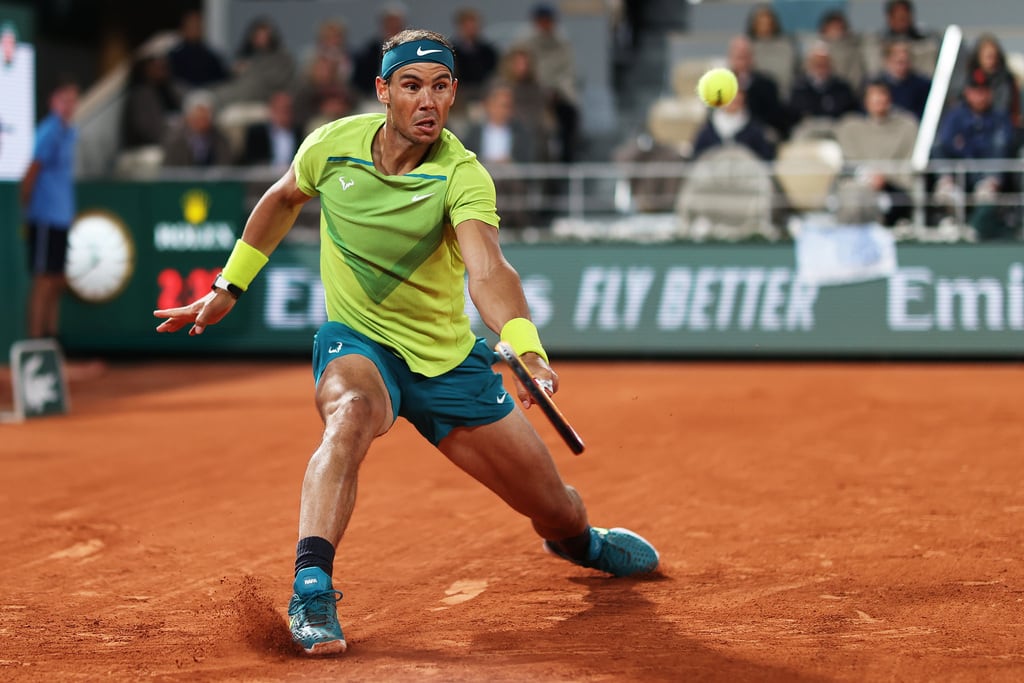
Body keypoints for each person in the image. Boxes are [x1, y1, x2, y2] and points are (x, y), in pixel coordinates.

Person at [152, 28, 659, 656]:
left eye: (441, 87)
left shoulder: (461, 175)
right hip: (359, 341)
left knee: (556, 506)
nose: (428, 102)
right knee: (350, 414)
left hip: (448, 364)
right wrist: (229, 285)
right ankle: (311, 588)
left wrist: (527, 347)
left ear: (454, 94)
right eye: (412, 86)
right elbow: (284, 198)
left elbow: (488, 271)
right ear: (383, 91)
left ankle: (579, 542)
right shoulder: (332, 147)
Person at [20, 79, 79, 340]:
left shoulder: (69, 132)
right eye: (63, 99)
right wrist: (27, 209)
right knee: (43, 281)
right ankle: (35, 342)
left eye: (73, 100)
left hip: (60, 219)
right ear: (52, 102)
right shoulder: (48, 131)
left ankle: (51, 339)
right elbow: (32, 171)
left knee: (56, 280)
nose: (69, 106)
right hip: (44, 218)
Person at [933, 68, 1016, 239]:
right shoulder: (955, 117)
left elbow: (1003, 148)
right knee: (936, 147)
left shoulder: (999, 118)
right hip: (960, 175)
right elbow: (946, 145)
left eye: (983, 91)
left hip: (989, 181)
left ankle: (974, 227)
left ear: (990, 93)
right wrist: (948, 178)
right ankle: (948, 202)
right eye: (975, 91)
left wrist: (990, 180)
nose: (980, 96)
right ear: (967, 93)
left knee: (988, 193)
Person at [834, 78, 918, 225]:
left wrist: (885, 179)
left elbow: (909, 166)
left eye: (882, 95)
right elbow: (847, 164)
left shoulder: (907, 126)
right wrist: (867, 176)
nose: (879, 100)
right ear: (865, 101)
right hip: (859, 186)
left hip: (894, 189)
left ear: (890, 99)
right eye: (874, 96)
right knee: (853, 198)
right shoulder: (850, 128)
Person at [462, 83, 538, 228]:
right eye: (501, 105)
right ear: (488, 105)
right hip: (483, 178)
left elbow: (527, 161)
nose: (505, 110)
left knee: (512, 182)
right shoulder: (474, 132)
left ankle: (516, 225)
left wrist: (509, 162)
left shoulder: (521, 133)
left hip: (511, 179)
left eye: (508, 106)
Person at [515, 3, 580, 163]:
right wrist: (540, 88)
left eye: (548, 21)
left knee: (569, 114)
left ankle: (566, 161)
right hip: (529, 94)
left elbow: (568, 72)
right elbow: (517, 69)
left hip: (556, 95)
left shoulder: (562, 44)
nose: (545, 25)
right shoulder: (524, 42)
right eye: (541, 21)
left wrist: (555, 90)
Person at [212, 16, 295, 109]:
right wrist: (237, 71)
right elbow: (234, 81)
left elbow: (269, 84)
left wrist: (251, 71)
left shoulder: (282, 58)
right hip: (238, 95)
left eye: (264, 35)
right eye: (258, 36)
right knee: (210, 95)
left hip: (264, 101)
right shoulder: (248, 56)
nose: (261, 39)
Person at [726, 34, 792, 141]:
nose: (742, 62)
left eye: (745, 57)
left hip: (758, 136)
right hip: (728, 134)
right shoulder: (719, 85)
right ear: (730, 59)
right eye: (738, 57)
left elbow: (776, 118)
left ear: (752, 58)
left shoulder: (767, 85)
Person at [691, 88, 776, 162]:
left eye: (737, 101)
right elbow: (696, 156)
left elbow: (765, 157)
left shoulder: (754, 130)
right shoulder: (708, 130)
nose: (733, 105)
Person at [788, 41, 861, 123]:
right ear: (809, 64)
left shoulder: (843, 88)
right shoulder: (799, 88)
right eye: (817, 63)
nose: (821, 67)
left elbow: (851, 113)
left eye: (825, 63)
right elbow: (794, 115)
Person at [121, 54, 181, 150]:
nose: (161, 71)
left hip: (170, 138)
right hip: (146, 147)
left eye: (163, 67)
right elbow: (147, 130)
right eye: (156, 68)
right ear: (145, 71)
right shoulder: (140, 95)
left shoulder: (169, 89)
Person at [161, 90, 233, 167]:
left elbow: (225, 168)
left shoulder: (222, 141)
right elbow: (170, 170)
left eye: (205, 117)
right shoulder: (175, 142)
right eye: (197, 117)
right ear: (188, 117)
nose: (201, 121)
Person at [351, 4, 407, 100]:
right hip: (373, 99)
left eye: (396, 23)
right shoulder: (369, 51)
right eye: (389, 23)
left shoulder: (411, 49)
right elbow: (360, 81)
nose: (393, 27)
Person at [166, 9, 229, 91]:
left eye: (198, 25)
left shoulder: (211, 57)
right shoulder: (174, 56)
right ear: (183, 29)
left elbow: (223, 80)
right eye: (191, 25)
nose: (196, 29)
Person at [239, 90, 302, 168]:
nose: (284, 114)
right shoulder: (257, 133)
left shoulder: (299, 133)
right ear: (272, 110)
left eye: (287, 109)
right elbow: (250, 160)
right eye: (280, 109)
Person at [877, 39, 931, 121]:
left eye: (906, 62)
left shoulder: (923, 85)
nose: (902, 66)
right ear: (887, 61)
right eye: (899, 62)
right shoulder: (875, 84)